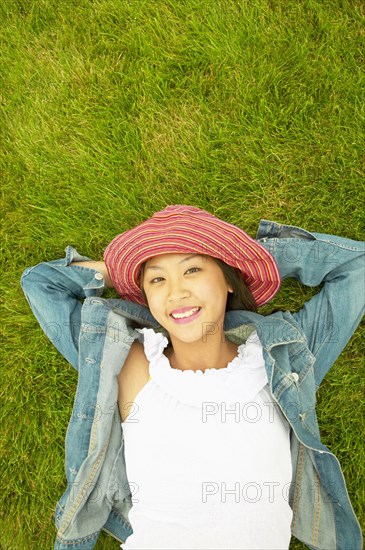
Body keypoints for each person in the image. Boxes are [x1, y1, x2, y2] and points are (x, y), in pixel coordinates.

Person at [21, 205, 364, 550]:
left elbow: (357, 267)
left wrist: (251, 256)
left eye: (193, 270)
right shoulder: (132, 365)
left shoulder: (280, 357)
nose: (175, 292)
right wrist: (118, 275)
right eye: (157, 279)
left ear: (229, 280)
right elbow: (40, 284)